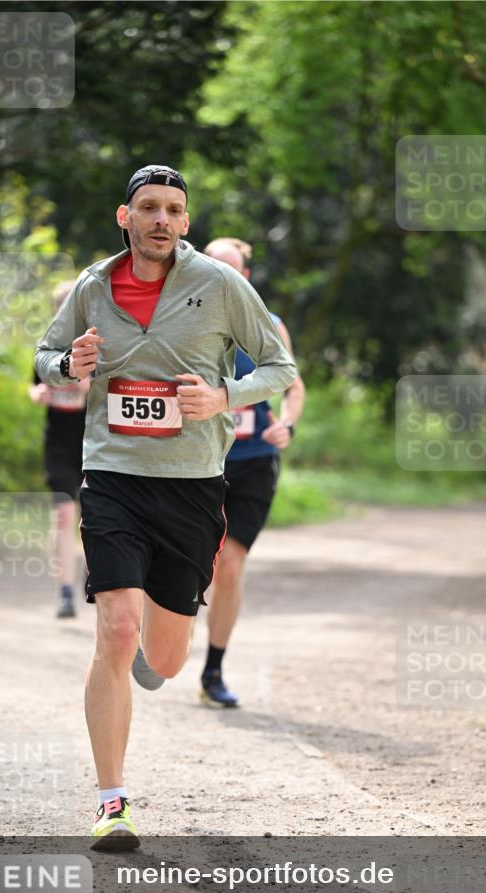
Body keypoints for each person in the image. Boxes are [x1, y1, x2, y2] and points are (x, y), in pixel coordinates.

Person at [34, 165, 296, 849]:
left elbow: (278, 368)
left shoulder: (220, 285)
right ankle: (111, 802)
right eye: (147, 207)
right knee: (116, 630)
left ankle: (161, 651)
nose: (161, 219)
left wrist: (223, 399)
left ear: (185, 221)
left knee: (166, 659)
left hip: (191, 484)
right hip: (113, 475)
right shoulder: (93, 286)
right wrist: (71, 366)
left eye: (173, 209)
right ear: (126, 217)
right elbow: (45, 354)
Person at [198, 238, 305, 707]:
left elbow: (293, 386)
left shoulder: (270, 326)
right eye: (213, 268)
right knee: (186, 566)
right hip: (196, 461)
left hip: (254, 463)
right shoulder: (182, 321)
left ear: (245, 277)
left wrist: (287, 424)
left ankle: (213, 670)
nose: (223, 277)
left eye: (232, 271)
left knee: (229, 566)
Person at [29, 281, 90, 618]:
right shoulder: (48, 346)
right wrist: (37, 394)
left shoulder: (98, 344)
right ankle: (65, 592)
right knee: (63, 514)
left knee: (91, 519)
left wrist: (86, 387)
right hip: (59, 443)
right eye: (61, 305)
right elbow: (35, 384)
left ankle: (92, 578)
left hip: (95, 443)